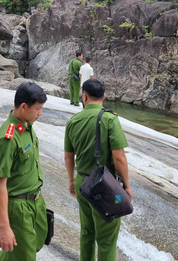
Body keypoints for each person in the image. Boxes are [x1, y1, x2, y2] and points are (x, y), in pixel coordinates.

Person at [64, 78, 132, 261]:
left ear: (84, 97)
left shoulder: (73, 121)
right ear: (104, 96)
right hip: (105, 186)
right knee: (106, 239)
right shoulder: (110, 119)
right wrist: (127, 186)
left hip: (82, 183)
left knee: (87, 232)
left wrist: (71, 180)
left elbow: (69, 156)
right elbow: (119, 157)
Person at [0, 82, 48, 261]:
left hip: (36, 200)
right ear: (23, 107)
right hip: (19, 207)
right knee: (25, 256)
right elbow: (0, 183)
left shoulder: (26, 125)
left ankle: (0, 259)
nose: (40, 113)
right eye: (38, 109)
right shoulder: (7, 139)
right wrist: (5, 227)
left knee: (36, 243)